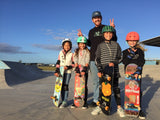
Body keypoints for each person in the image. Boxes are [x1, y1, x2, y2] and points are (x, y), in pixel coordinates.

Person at [78, 11, 117, 108]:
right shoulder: (91, 31)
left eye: (98, 17)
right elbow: (90, 44)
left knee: (105, 80)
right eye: (95, 18)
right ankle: (96, 100)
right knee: (95, 81)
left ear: (101, 18)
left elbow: (114, 39)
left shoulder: (106, 28)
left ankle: (105, 99)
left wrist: (113, 30)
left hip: (104, 58)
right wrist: (82, 38)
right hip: (93, 59)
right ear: (92, 20)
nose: (97, 19)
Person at [91, 25, 125, 117]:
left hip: (114, 71)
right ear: (103, 34)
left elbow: (121, 57)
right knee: (102, 90)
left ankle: (119, 107)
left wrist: (114, 62)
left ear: (113, 34)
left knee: (116, 89)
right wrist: (99, 69)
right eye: (106, 33)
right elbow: (97, 59)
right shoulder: (100, 45)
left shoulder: (116, 45)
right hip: (104, 72)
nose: (108, 34)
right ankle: (100, 105)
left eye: (110, 33)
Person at [122, 32, 146, 119]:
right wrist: (130, 55)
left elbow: (142, 61)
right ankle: (128, 107)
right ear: (127, 41)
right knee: (129, 91)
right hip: (128, 75)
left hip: (137, 75)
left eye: (134, 41)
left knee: (137, 91)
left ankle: (139, 109)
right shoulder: (124, 52)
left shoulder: (140, 51)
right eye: (130, 41)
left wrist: (138, 72)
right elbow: (124, 62)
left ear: (137, 41)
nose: (132, 42)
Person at [71, 36, 90, 109]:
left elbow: (87, 61)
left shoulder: (88, 51)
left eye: (84, 44)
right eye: (81, 44)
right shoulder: (76, 51)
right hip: (78, 70)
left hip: (84, 70)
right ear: (78, 44)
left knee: (84, 86)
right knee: (77, 86)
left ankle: (85, 102)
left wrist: (84, 69)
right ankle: (75, 101)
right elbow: (75, 60)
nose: (82, 45)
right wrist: (77, 70)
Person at [54, 38, 74, 108]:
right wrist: (56, 70)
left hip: (68, 72)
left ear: (70, 46)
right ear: (63, 46)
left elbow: (73, 65)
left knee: (65, 86)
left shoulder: (72, 54)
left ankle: (65, 101)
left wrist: (68, 67)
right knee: (60, 86)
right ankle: (61, 100)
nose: (67, 46)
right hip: (61, 72)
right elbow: (58, 62)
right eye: (65, 45)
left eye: (68, 45)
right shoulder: (60, 53)